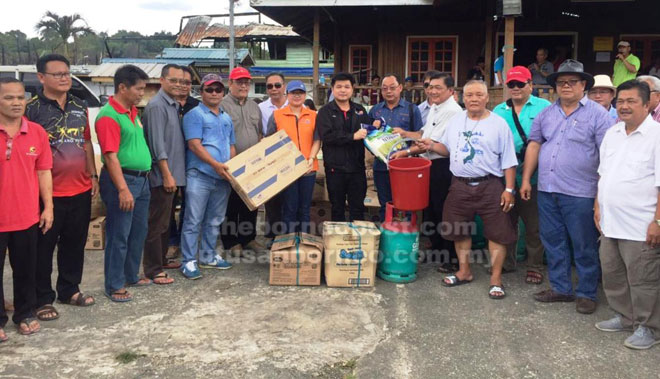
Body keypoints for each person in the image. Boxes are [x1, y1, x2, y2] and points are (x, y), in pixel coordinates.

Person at [520, 59, 615, 314]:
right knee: (553, 240)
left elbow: (608, 155)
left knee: (583, 243)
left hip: (581, 192)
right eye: (561, 82)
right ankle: (561, 288)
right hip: (548, 189)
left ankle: (586, 292)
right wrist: (528, 178)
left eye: (572, 82)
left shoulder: (598, 115)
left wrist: (601, 193)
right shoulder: (547, 113)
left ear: (583, 85)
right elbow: (534, 145)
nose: (566, 86)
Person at [416, 80, 518, 300]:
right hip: (460, 184)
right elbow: (446, 149)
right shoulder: (456, 121)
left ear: (487, 97)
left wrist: (509, 189)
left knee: (497, 233)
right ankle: (464, 271)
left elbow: (509, 160)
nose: (474, 99)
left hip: (490, 184)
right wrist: (431, 146)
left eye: (479, 95)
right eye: (469, 95)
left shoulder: (499, 124)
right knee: (459, 229)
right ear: (462, 98)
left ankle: (496, 279)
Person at [25, 54, 96, 322]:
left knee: (74, 244)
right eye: (58, 74)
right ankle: (42, 298)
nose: (65, 78)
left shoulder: (80, 105)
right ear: (41, 77)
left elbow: (86, 143)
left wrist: (93, 175)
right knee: (42, 248)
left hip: (79, 188)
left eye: (67, 73)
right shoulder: (31, 110)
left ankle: (69, 289)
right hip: (45, 194)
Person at [595, 79, 660, 350]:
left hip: (640, 223)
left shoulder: (656, 136)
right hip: (610, 223)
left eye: (631, 101)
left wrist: (657, 221)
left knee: (643, 279)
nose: (624, 106)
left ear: (647, 104)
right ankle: (625, 316)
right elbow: (603, 174)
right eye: (620, 101)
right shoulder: (613, 133)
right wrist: (598, 206)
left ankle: (649, 327)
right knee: (613, 274)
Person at [391, 72, 462, 273]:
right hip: (428, 165)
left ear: (450, 91)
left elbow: (430, 144)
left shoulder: (452, 111)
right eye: (430, 87)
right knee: (430, 208)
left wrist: (405, 152)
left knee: (443, 210)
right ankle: (437, 248)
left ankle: (451, 257)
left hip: (442, 164)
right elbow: (423, 134)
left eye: (438, 88)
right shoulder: (435, 108)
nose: (432, 91)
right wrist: (404, 134)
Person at [0, 77, 53, 338]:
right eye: (8, 97)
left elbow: (44, 172)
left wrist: (48, 207)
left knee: (25, 270)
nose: (16, 102)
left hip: (26, 216)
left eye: (20, 97)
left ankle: (25, 313)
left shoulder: (36, 132)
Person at [95, 65, 152, 302]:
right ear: (122, 87)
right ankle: (114, 284)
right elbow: (110, 156)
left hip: (141, 179)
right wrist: (122, 189)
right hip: (123, 180)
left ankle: (131, 275)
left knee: (138, 232)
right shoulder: (109, 116)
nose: (142, 94)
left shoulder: (131, 112)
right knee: (119, 234)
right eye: (138, 89)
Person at [492, 66, 551, 284]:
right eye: (511, 84)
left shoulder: (545, 107)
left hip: (534, 174)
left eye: (520, 84)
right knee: (506, 221)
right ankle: (507, 263)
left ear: (531, 85)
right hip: (504, 175)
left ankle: (534, 265)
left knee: (533, 224)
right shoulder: (499, 110)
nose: (516, 88)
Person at [180, 74, 235, 280]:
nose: (214, 93)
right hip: (200, 175)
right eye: (209, 89)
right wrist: (216, 165)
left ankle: (208, 256)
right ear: (201, 92)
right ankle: (188, 261)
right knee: (193, 220)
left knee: (215, 220)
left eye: (218, 89)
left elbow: (231, 145)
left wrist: (232, 167)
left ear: (223, 92)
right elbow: (194, 144)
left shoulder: (225, 117)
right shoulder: (194, 115)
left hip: (222, 178)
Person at [141, 64, 187, 285]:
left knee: (166, 222)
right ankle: (153, 268)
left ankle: (161, 260)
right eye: (173, 80)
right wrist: (167, 175)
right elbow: (158, 145)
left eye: (181, 81)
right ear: (162, 80)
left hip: (173, 174)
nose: (178, 84)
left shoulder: (172, 105)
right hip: (162, 176)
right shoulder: (157, 106)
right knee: (156, 223)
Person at [317, 72, 377, 221]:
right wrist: (352, 136)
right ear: (332, 88)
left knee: (357, 208)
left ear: (352, 89)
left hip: (356, 168)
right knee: (337, 208)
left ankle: (357, 241)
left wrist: (376, 126)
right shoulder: (325, 111)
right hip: (335, 169)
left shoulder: (360, 110)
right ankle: (338, 242)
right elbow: (327, 136)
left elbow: (369, 132)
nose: (343, 90)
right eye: (339, 87)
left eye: (346, 87)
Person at [219, 67, 264, 256]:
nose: (244, 85)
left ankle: (248, 238)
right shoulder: (221, 105)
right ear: (230, 84)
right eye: (239, 82)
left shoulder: (254, 106)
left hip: (252, 163)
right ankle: (231, 242)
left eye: (246, 82)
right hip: (231, 163)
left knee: (250, 203)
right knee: (231, 204)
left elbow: (259, 132)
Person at [266, 81, 320, 234]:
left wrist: (311, 157)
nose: (297, 96)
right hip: (287, 170)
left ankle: (303, 241)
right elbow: (270, 141)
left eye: (300, 93)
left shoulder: (313, 115)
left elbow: (317, 139)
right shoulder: (277, 115)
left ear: (305, 95)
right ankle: (287, 242)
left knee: (304, 208)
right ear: (287, 95)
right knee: (289, 207)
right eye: (293, 93)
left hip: (308, 168)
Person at [369, 73, 423, 221]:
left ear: (400, 88)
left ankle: (403, 238)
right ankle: (387, 235)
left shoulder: (412, 109)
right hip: (381, 165)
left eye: (392, 88)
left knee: (404, 204)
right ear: (381, 91)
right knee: (384, 204)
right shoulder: (375, 111)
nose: (388, 91)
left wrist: (405, 133)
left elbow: (420, 135)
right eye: (385, 88)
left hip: (404, 165)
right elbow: (368, 138)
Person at [167, 65, 199, 258]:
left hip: (192, 161)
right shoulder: (164, 105)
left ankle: (184, 240)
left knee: (189, 204)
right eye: (179, 82)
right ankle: (171, 241)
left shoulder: (196, 106)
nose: (183, 86)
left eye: (187, 83)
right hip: (169, 162)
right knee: (169, 204)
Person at [258, 72, 287, 240]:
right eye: (270, 86)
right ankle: (272, 236)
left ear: (284, 86)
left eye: (277, 85)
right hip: (270, 159)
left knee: (290, 200)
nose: (274, 89)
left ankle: (289, 236)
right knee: (272, 200)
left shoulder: (296, 103)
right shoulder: (261, 108)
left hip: (291, 157)